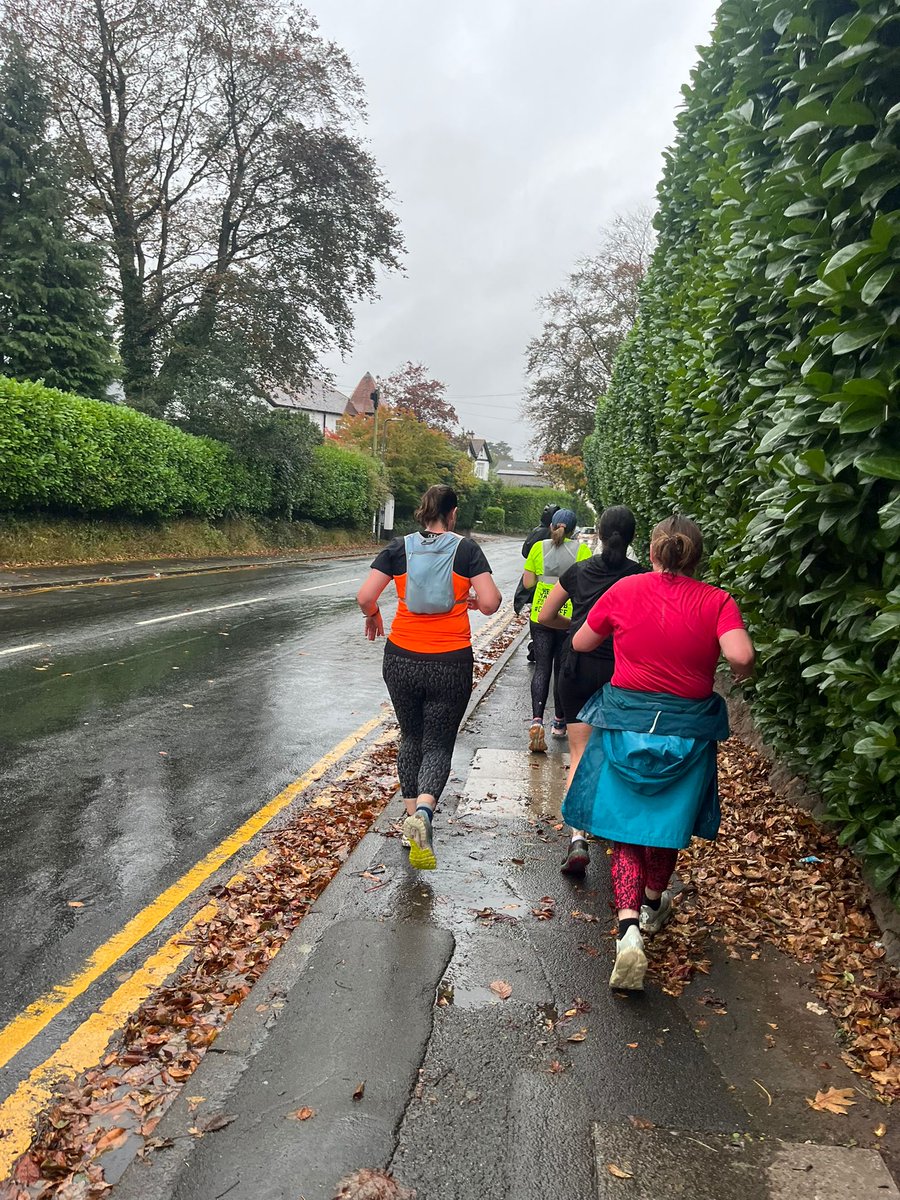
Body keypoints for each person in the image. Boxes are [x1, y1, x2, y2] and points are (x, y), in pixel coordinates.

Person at [563, 515, 755, 991]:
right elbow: (742, 658)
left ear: (652, 552)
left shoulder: (625, 591)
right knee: (666, 825)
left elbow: (582, 640)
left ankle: (627, 930)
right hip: (687, 731)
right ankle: (653, 903)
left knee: (624, 829)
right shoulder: (717, 601)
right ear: (697, 556)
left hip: (626, 723)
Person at [356, 485, 502, 871]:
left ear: (423, 511)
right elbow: (490, 603)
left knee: (411, 736)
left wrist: (373, 614)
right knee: (437, 743)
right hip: (449, 661)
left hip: (401, 657)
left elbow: (365, 596)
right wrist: (468, 599)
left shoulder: (398, 547)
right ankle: (423, 814)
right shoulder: (466, 549)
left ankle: (409, 826)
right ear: (452, 514)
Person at [537, 506, 645, 876]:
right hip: (621, 669)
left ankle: (577, 837)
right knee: (615, 751)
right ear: (632, 537)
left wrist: (577, 626)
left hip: (576, 665)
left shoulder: (578, 572)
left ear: (597, 533)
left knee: (579, 751)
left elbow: (545, 615)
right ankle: (615, 830)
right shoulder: (640, 578)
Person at [522, 508, 590, 751]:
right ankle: (559, 721)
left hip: (540, 615)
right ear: (573, 529)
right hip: (568, 616)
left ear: (551, 525)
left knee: (541, 666)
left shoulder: (538, 547)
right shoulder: (582, 550)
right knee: (562, 668)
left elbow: (528, 583)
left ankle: (536, 720)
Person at [516, 504, 559, 659]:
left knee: (538, 614)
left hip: (536, 580)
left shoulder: (536, 531)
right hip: (553, 583)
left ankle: (537, 646)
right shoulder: (551, 534)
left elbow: (524, 552)